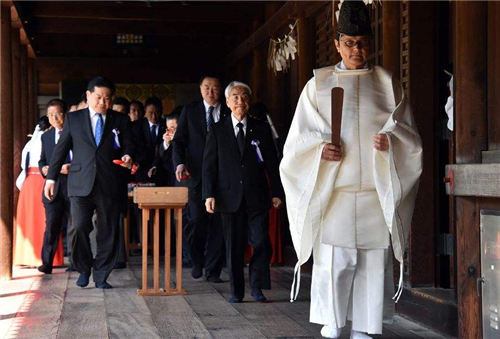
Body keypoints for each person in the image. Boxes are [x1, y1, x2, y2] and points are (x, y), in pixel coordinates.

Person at [280, 1, 423, 338]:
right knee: (337, 261)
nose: (356, 49)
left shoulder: (388, 83)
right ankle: (333, 319)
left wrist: (392, 144)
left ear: (370, 44)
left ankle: (366, 326)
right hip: (338, 191)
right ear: (337, 44)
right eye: (349, 42)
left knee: (372, 264)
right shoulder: (318, 85)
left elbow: (408, 135)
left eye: (362, 42)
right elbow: (297, 142)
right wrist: (320, 152)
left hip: (374, 192)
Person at [44, 76, 135, 289]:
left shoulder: (120, 120)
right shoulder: (73, 119)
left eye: (107, 98)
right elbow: (60, 150)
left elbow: (129, 145)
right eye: (98, 97)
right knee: (79, 227)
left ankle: (101, 274)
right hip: (80, 183)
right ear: (88, 95)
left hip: (110, 182)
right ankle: (83, 268)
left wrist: (129, 156)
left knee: (108, 231)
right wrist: (51, 178)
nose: (103, 102)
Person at [203, 81, 284, 303]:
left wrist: (277, 192)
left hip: (257, 195)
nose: (241, 101)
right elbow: (209, 165)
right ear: (228, 102)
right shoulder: (218, 130)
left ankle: (257, 287)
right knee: (234, 246)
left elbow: (272, 163)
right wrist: (208, 194)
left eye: (245, 97)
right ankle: (236, 291)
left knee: (259, 242)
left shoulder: (261, 128)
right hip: (228, 197)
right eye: (236, 97)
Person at [172, 75, 229, 282]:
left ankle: (213, 270)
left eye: (215, 88)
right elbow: (179, 141)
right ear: (200, 89)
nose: (210, 92)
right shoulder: (191, 110)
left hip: (222, 177)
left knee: (218, 224)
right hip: (195, 176)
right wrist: (179, 163)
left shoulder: (228, 111)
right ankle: (196, 259)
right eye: (207, 88)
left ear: (221, 90)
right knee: (195, 220)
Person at [14, 116, 65, 268]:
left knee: (30, 219)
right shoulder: (46, 142)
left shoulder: (30, 144)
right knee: (46, 220)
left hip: (29, 182)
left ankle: (28, 256)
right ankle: (47, 257)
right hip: (44, 181)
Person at [38, 99, 73, 274]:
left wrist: (70, 167)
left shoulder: (75, 132)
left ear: (65, 114)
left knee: (75, 225)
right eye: (51, 115)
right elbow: (42, 160)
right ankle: (46, 263)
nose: (55, 118)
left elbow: (80, 159)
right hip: (52, 188)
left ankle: (75, 262)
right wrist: (44, 169)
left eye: (58, 114)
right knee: (51, 225)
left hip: (73, 186)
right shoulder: (46, 136)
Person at [135, 97, 166, 183]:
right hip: (141, 169)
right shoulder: (137, 125)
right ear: (145, 110)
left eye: (157, 113)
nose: (154, 116)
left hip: (162, 170)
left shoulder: (166, 124)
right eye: (150, 113)